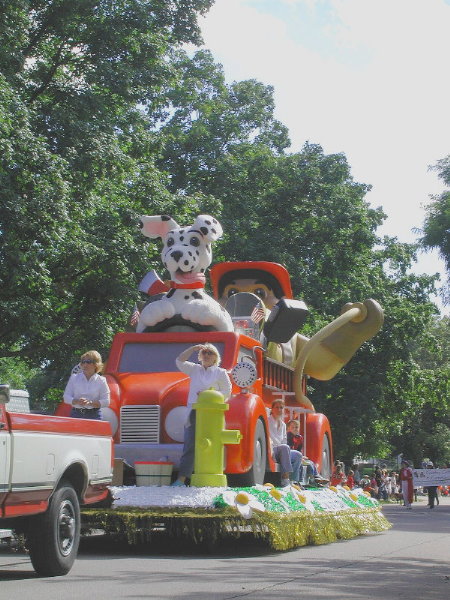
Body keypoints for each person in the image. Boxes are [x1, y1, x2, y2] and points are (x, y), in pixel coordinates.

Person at [171, 343, 232, 487]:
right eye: (204, 353)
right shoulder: (195, 369)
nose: (206, 355)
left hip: (212, 415)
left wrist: (209, 395)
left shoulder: (220, 372)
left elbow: (227, 392)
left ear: (215, 357)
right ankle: (182, 479)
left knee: (211, 445)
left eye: (210, 353)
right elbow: (179, 361)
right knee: (190, 444)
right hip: (194, 412)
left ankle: (212, 479)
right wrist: (192, 349)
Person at [63, 350, 110, 420]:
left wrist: (90, 403)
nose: (85, 364)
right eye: (83, 362)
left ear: (96, 364)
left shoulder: (101, 380)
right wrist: (77, 401)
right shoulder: (74, 378)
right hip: (76, 415)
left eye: (88, 362)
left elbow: (106, 401)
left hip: (94, 416)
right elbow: (66, 397)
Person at [268, 400, 302, 487]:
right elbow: (268, 438)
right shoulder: (267, 421)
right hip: (271, 449)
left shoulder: (283, 424)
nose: (279, 409)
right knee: (284, 447)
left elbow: (284, 440)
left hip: (282, 449)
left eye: (281, 407)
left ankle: (293, 481)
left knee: (297, 454)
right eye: (277, 407)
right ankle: (285, 477)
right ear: (272, 409)